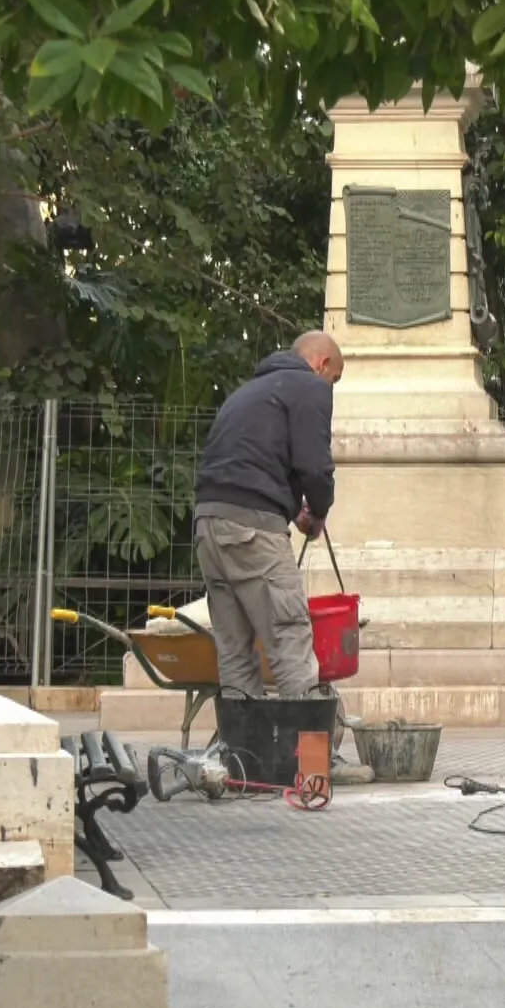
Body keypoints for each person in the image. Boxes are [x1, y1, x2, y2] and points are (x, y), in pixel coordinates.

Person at [192, 330, 372, 784]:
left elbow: (255, 463)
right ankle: (313, 769)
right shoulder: (309, 387)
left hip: (208, 526)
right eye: (335, 377)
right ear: (322, 363)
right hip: (253, 530)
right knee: (291, 639)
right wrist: (319, 511)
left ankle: (244, 767)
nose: (331, 386)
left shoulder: (247, 393)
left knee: (234, 651)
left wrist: (295, 512)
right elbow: (313, 464)